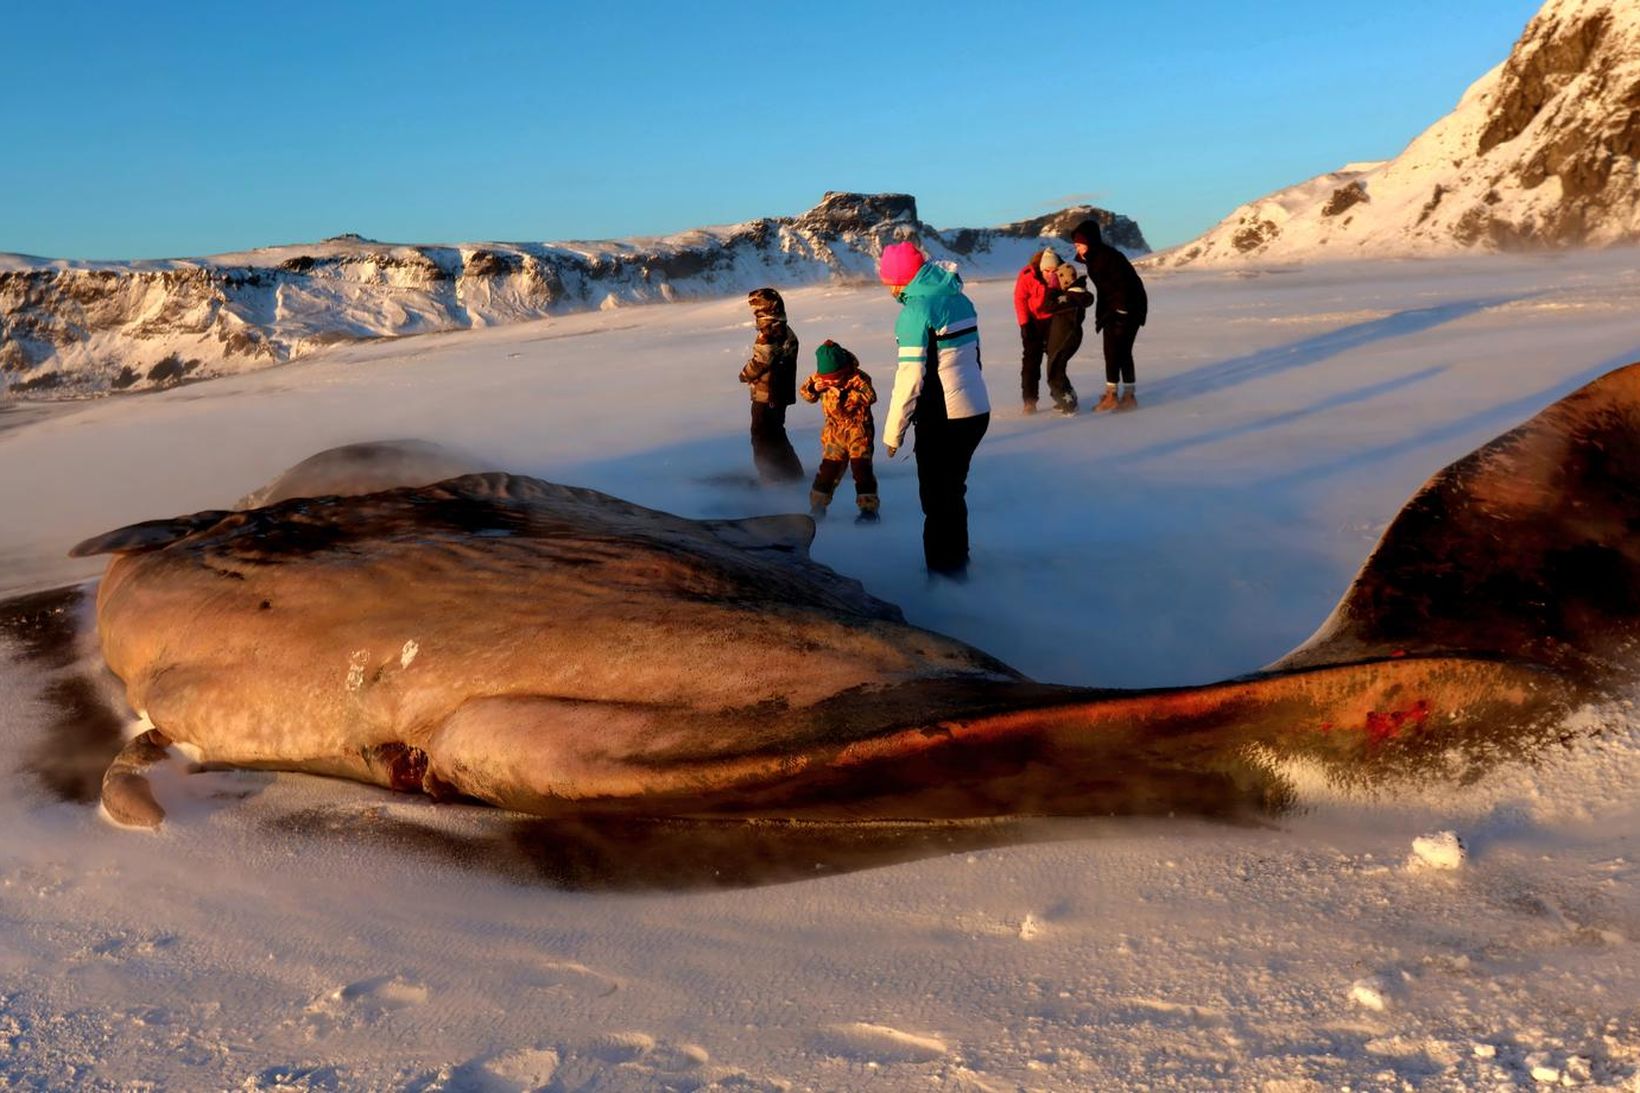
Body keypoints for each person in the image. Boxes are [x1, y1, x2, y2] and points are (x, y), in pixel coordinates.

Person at [879, 241, 992, 580]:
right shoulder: (959, 298)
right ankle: (958, 565)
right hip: (975, 411)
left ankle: (945, 578)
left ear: (899, 280)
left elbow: (910, 377)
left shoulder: (915, 312)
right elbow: (974, 357)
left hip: (943, 417)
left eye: (887, 281)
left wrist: (892, 431)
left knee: (938, 501)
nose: (887, 288)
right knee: (953, 493)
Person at [1071, 219, 1149, 412]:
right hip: (1117, 307)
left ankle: (1117, 396)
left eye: (1080, 244)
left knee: (1115, 351)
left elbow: (1123, 284)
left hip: (1127, 308)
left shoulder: (1106, 257)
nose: (1077, 248)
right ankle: (1123, 395)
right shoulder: (1095, 258)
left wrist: (1122, 312)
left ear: (1090, 242)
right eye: (1076, 245)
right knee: (1118, 352)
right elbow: (1107, 289)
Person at [798, 340, 879, 523]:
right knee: (828, 470)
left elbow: (870, 396)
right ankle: (818, 506)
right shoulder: (819, 379)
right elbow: (805, 393)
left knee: (861, 469)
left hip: (858, 430)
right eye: (826, 380)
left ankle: (868, 509)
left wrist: (842, 393)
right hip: (834, 432)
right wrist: (813, 389)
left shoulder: (857, 378)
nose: (829, 383)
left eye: (833, 379)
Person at [738, 287, 805, 481]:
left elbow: (762, 359)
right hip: (778, 392)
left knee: (762, 436)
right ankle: (791, 475)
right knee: (776, 434)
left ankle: (771, 477)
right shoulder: (783, 328)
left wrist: (745, 374)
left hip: (767, 393)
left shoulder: (770, 330)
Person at [1040, 262, 1093, 415]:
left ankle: (1068, 404)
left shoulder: (1071, 297)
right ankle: (1066, 398)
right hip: (1066, 337)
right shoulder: (1076, 295)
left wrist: (1052, 288)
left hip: (1065, 338)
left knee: (1054, 372)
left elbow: (1048, 306)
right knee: (1059, 369)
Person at [1012, 248, 1061, 414]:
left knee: (1055, 359)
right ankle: (1029, 401)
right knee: (1031, 362)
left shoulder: (1063, 274)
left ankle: (1060, 395)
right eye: (1047, 270)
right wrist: (1024, 324)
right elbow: (1019, 299)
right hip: (1033, 322)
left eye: (1054, 270)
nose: (1050, 274)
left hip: (1053, 319)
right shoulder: (1027, 275)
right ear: (1041, 268)